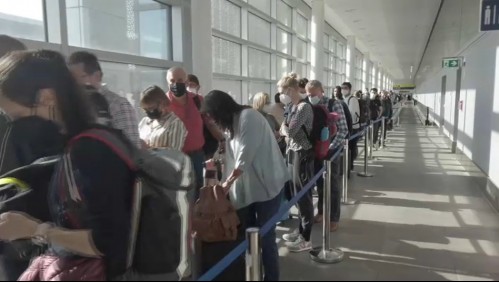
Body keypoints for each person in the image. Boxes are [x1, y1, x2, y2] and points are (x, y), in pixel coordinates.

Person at [0, 50, 135, 280]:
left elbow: (107, 243)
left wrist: (35, 230)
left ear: (46, 97)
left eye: (14, 117)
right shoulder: (90, 141)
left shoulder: (89, 151)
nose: (13, 128)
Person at [201, 90, 289, 281]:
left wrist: (225, 184)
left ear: (221, 109)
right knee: (246, 235)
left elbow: (243, 158)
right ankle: (251, 274)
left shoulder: (249, 117)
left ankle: (271, 277)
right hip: (248, 188)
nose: (211, 119)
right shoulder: (230, 124)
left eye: (212, 115)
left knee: (265, 236)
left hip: (267, 185)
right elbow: (229, 154)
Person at [166, 67, 225, 200]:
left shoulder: (197, 100)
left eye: (180, 80)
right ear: (167, 83)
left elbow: (210, 124)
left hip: (197, 156)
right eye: (172, 81)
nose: (176, 83)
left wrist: (222, 140)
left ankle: (198, 220)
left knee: (200, 194)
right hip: (176, 159)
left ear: (186, 81)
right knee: (180, 196)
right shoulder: (163, 103)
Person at [68, 51, 141, 147]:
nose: (76, 83)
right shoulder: (73, 105)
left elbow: (131, 148)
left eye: (81, 77)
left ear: (98, 76)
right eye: (72, 79)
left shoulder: (118, 104)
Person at [278, 73, 315, 252]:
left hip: (302, 153)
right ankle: (300, 230)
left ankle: (306, 237)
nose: (280, 95)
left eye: (282, 91)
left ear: (290, 89)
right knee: (295, 193)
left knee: (303, 195)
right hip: (292, 151)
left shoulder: (303, 108)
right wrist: (284, 129)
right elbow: (283, 127)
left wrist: (284, 129)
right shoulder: (292, 107)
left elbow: (289, 130)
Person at [305, 81, 348, 232]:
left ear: (321, 91)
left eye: (313, 94)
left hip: (331, 152)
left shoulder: (333, 104)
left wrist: (330, 147)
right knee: (320, 184)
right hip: (314, 151)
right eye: (308, 94)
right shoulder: (307, 105)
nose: (311, 97)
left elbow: (343, 130)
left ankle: (334, 217)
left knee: (333, 184)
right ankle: (322, 212)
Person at [139, 85, 187, 151]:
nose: (148, 112)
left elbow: (174, 152)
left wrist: (149, 149)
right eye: (145, 109)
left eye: (151, 108)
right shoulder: (144, 122)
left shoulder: (175, 123)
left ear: (162, 103)